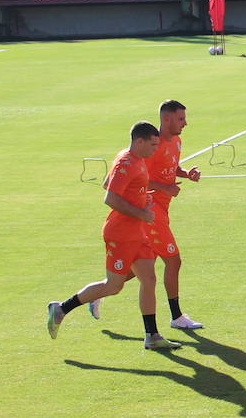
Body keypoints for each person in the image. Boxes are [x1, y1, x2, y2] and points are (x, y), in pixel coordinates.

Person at [47, 121, 180, 351]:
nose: (155, 149)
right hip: (121, 234)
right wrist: (140, 210)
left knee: (148, 279)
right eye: (152, 144)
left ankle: (152, 335)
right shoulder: (126, 163)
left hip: (137, 231)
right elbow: (109, 197)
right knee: (113, 286)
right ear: (139, 141)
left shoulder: (136, 160)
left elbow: (108, 184)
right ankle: (61, 308)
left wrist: (141, 196)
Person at [146, 99, 204, 331]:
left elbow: (171, 167)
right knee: (173, 260)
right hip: (150, 210)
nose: (185, 123)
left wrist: (186, 173)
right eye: (181, 119)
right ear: (166, 119)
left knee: (140, 265)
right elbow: (141, 177)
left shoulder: (177, 141)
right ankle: (177, 316)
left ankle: (102, 290)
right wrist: (165, 188)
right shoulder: (152, 145)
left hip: (163, 209)